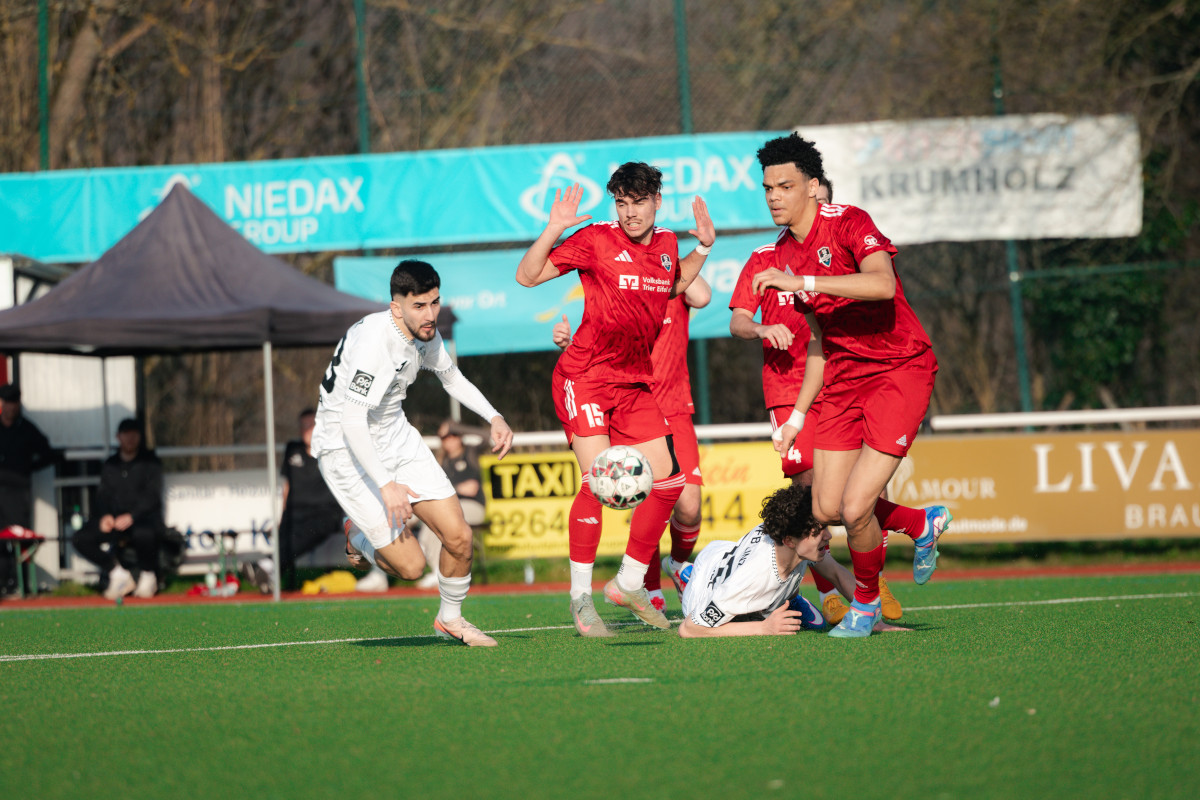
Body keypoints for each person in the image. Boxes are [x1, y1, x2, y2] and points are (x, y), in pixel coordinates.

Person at [750, 133, 951, 638]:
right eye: (768, 187)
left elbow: (882, 284)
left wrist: (805, 283)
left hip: (897, 370)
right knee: (824, 508)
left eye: (785, 186)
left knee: (857, 507)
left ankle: (865, 606)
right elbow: (819, 342)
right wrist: (797, 417)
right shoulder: (783, 252)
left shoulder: (849, 221)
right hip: (842, 380)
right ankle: (921, 523)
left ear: (812, 187)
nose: (774, 196)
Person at [516, 162, 714, 636]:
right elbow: (527, 276)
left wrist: (703, 249)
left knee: (669, 482)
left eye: (639, 202)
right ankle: (581, 598)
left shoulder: (667, 244)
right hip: (585, 377)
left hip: (634, 384)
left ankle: (628, 581)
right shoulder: (597, 239)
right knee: (597, 482)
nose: (630, 213)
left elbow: (673, 284)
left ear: (657, 202)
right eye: (622, 203)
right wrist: (554, 228)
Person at [729, 174, 915, 625]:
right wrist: (760, 329)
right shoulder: (766, 258)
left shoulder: (840, 253)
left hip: (843, 382)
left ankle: (872, 580)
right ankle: (830, 590)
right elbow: (737, 320)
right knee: (810, 492)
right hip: (787, 388)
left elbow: (878, 290)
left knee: (864, 490)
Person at [312, 259, 514, 647]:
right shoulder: (376, 345)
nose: (430, 314)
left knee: (459, 536)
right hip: (344, 448)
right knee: (410, 567)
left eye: (434, 302)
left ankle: (450, 619)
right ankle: (357, 536)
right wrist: (386, 485)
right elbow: (352, 420)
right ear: (396, 307)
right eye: (419, 306)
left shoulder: (424, 332)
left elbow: (451, 377)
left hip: (394, 435)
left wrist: (494, 416)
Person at [552, 272, 713, 613]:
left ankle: (677, 565)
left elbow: (702, 296)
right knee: (641, 494)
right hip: (631, 403)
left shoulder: (671, 279)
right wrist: (569, 346)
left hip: (674, 407)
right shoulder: (621, 290)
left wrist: (670, 257)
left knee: (689, 505)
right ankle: (646, 585)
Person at [677, 482, 906, 638]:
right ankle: (685, 574)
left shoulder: (795, 542)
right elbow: (689, 629)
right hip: (703, 586)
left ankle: (785, 598)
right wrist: (764, 628)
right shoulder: (753, 579)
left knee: (797, 614)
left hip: (723, 552)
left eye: (825, 528)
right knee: (748, 616)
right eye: (819, 532)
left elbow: (836, 573)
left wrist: (872, 619)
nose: (828, 536)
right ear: (789, 541)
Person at [72, 418, 165, 599]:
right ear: (118, 437)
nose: (130, 438)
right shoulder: (110, 464)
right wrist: (106, 516)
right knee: (80, 538)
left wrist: (132, 516)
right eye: (126, 434)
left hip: (142, 519)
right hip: (115, 521)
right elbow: (102, 495)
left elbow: (153, 496)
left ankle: (148, 576)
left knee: (145, 533)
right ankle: (117, 573)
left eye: (134, 434)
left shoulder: (150, 462)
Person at [259, 408, 347, 594]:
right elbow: (287, 484)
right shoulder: (293, 449)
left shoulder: (331, 450)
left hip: (325, 512)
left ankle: (269, 564)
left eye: (311, 425)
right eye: (303, 426)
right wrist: (282, 513)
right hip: (295, 510)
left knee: (305, 532)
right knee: (285, 530)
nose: (307, 430)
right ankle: (270, 574)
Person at [409, 419, 488, 591]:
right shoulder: (439, 461)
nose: (450, 439)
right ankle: (426, 566)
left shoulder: (470, 453)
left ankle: (440, 573)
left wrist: (457, 427)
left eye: (454, 435)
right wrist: (459, 488)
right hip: (447, 507)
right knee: (411, 517)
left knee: (442, 520)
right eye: (444, 437)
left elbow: (488, 436)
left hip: (471, 507)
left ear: (460, 436)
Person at [0, 383, 58, 595]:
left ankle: (19, 584)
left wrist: (28, 468)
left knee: (18, 537)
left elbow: (48, 454)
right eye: (8, 402)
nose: (11, 407)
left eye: (14, 403)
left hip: (17, 491)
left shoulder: (27, 429)